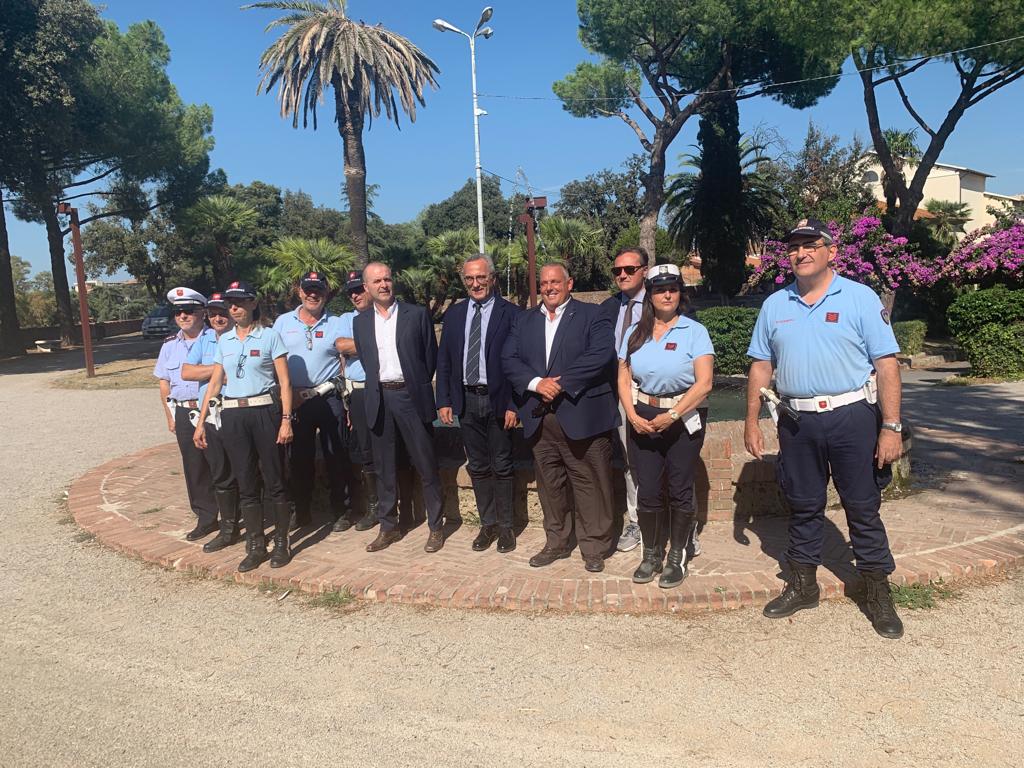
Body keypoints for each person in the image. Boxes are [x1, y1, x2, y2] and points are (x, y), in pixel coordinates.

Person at [744, 218, 905, 639]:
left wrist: (890, 427)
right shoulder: (775, 305)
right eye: (794, 246)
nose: (800, 252)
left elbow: (886, 364)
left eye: (810, 244)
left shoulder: (860, 298)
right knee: (803, 505)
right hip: (796, 421)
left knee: (863, 508)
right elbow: (761, 366)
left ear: (831, 251)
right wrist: (751, 421)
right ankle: (803, 585)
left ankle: (877, 593)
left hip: (852, 417)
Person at [501, 262, 618, 573]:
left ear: (570, 284)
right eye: (544, 283)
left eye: (555, 282)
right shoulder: (523, 321)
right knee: (550, 485)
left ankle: (594, 546)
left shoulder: (593, 316)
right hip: (541, 419)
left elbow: (601, 354)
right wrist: (537, 383)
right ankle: (556, 542)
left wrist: (560, 384)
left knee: (590, 482)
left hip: (583, 415)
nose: (549, 288)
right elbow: (508, 359)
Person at [617, 264, 715, 588]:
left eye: (672, 288)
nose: (667, 294)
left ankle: (678, 556)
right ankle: (652, 553)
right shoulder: (636, 332)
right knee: (647, 490)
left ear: (680, 293)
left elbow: (704, 384)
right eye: (660, 289)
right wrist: (631, 415)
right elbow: (623, 374)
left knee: (679, 488)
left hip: (683, 418)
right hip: (643, 416)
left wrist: (672, 416)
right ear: (650, 294)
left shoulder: (694, 331)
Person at [193, 280, 294, 573]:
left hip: (264, 411)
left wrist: (286, 420)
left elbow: (285, 382)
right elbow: (214, 381)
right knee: (246, 481)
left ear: (252, 303)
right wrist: (201, 423)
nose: (234, 308)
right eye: (230, 303)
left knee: (275, 480)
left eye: (239, 302)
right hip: (233, 415)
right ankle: (255, 544)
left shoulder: (269, 336)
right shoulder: (223, 340)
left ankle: (282, 543)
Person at [353, 262, 447, 553]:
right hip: (379, 398)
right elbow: (369, 364)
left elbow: (430, 357)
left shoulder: (416, 315)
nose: (383, 285)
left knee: (426, 463)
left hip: (410, 396)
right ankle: (388, 526)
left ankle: (435, 526)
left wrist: (414, 384)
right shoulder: (361, 322)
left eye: (387, 279)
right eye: (377, 281)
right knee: (384, 468)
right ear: (366, 288)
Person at [436, 254, 521, 554]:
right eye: (470, 279)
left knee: (502, 464)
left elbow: (518, 363)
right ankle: (489, 524)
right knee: (479, 466)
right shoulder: (455, 315)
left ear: (492, 278)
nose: (476, 284)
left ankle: (507, 527)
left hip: (498, 400)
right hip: (467, 399)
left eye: (481, 277)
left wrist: (514, 403)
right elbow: (444, 360)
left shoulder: (510, 313)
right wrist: (444, 399)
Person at [271, 270, 353, 531]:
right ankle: (301, 511)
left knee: (336, 455)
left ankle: (341, 510)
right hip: (296, 400)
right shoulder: (282, 323)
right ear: (299, 292)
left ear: (326, 293)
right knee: (299, 459)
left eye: (318, 289)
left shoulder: (337, 322)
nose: (313, 294)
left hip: (329, 397)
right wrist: (283, 396)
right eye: (308, 289)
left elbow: (344, 359)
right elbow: (273, 362)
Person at [153, 286, 219, 541]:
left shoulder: (217, 337)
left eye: (189, 310)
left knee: (220, 463)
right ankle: (205, 517)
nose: (183, 316)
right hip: (183, 410)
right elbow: (164, 383)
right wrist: (170, 415)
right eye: (178, 312)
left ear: (202, 312)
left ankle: (232, 515)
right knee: (194, 467)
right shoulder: (169, 345)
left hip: (212, 410)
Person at [181, 291, 240, 553]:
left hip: (237, 411)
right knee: (219, 472)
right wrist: (218, 373)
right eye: (213, 313)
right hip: (211, 414)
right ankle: (228, 529)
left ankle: (252, 522)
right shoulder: (204, 342)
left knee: (246, 470)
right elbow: (186, 372)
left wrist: (212, 376)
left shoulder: (240, 337)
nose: (218, 317)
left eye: (222, 313)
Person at [600, 247, 648, 553]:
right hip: (618, 394)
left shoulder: (663, 302)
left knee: (668, 459)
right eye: (617, 271)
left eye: (629, 269)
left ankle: (678, 523)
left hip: (654, 393)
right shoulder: (606, 308)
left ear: (644, 270)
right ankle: (637, 521)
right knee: (630, 461)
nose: (623, 275)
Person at [335, 270, 377, 532]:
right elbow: (341, 346)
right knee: (365, 451)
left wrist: (357, 345)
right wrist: (377, 343)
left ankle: (397, 506)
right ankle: (373, 506)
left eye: (359, 289)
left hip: (382, 389)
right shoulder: (345, 319)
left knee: (389, 448)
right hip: (357, 393)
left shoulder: (384, 315)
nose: (355, 296)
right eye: (351, 292)